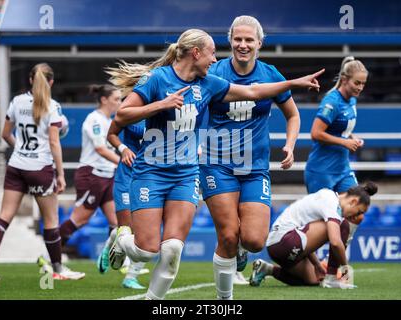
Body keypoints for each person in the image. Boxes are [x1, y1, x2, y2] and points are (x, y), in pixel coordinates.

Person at [105, 28, 323, 300]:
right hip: (151, 173)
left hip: (186, 175)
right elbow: (121, 115)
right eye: (211, 53)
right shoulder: (157, 79)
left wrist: (293, 83)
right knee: (146, 250)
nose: (214, 59)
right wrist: (160, 105)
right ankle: (121, 239)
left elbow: (253, 92)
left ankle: (154, 301)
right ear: (196, 53)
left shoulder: (208, 83)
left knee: (172, 249)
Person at [200, 16, 301, 293]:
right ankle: (225, 299)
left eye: (249, 40)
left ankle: (243, 251)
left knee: (255, 240)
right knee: (229, 235)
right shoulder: (213, 72)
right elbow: (193, 106)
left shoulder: (270, 74)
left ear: (259, 43)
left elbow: (293, 115)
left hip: (255, 167)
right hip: (216, 164)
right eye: (238, 39)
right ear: (230, 40)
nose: (243, 45)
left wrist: (290, 145)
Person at [0, 63, 83, 280]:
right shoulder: (52, 106)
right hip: (39, 169)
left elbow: (5, 134)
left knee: (4, 216)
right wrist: (61, 175)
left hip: (16, 165)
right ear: (51, 82)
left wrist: (20, 149)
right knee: (51, 221)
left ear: (29, 80)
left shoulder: (17, 102)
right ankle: (58, 270)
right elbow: (55, 143)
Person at [37, 84, 121, 278]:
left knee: (116, 222)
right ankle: (46, 255)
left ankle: (113, 258)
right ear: (104, 100)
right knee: (79, 220)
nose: (120, 102)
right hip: (92, 175)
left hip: (107, 175)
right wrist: (124, 160)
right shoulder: (95, 119)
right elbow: (100, 149)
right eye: (116, 99)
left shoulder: (109, 121)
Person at [304, 56, 368, 280]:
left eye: (363, 84)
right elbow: (315, 133)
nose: (360, 88)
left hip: (342, 168)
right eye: (356, 83)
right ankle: (312, 267)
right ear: (344, 79)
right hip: (321, 170)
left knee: (356, 214)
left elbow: (340, 131)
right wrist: (345, 142)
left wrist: (353, 138)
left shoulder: (352, 101)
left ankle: (333, 269)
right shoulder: (332, 101)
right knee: (318, 223)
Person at [249, 182, 378, 289]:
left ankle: (267, 269)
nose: (355, 216)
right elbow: (335, 242)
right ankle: (332, 278)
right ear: (354, 201)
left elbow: (305, 236)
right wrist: (346, 270)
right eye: (359, 211)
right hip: (285, 241)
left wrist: (317, 265)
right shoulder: (331, 201)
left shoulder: (328, 199)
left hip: (278, 246)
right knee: (342, 225)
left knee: (313, 280)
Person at [97, 119, 150, 289]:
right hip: (127, 177)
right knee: (127, 227)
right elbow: (111, 134)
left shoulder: (166, 111)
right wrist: (123, 149)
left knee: (148, 232)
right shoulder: (131, 110)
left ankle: (130, 277)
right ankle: (109, 247)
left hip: (152, 179)